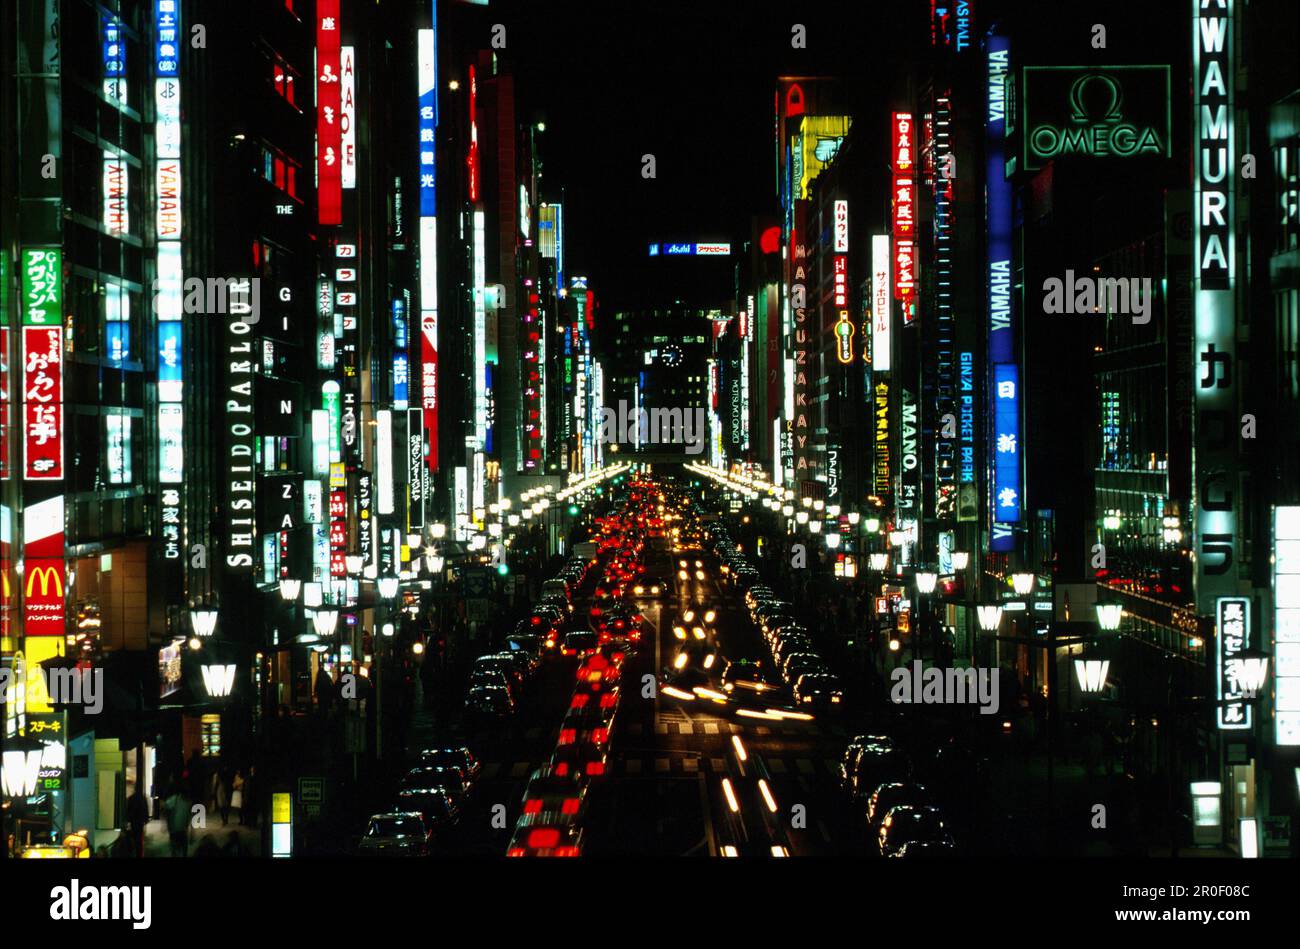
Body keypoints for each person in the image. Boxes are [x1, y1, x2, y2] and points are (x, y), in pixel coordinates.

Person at [162, 783, 191, 858]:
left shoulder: (176, 800)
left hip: (177, 830)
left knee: (177, 851)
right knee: (180, 851)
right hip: (177, 830)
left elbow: (166, 808)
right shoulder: (182, 801)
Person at [125, 786, 150, 858]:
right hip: (140, 821)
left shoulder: (131, 798)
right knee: (139, 839)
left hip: (133, 821)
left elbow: (128, 810)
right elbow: (145, 809)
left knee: (133, 837)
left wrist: (128, 820)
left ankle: (133, 852)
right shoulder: (143, 798)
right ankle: (139, 854)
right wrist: (146, 819)